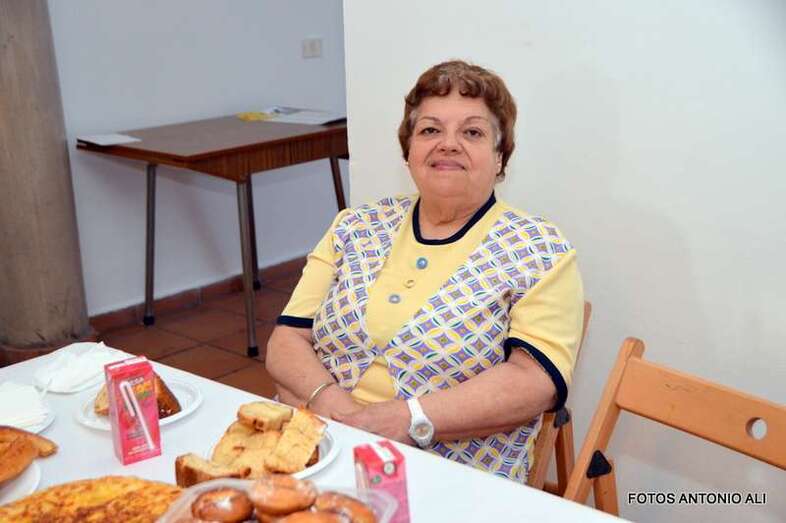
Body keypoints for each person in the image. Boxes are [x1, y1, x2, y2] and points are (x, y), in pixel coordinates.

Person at [266, 60, 584, 483]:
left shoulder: (540, 249)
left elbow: (534, 382)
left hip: (454, 471)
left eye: (472, 132)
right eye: (431, 130)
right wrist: (333, 406)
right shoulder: (354, 226)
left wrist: (408, 418)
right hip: (320, 444)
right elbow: (287, 339)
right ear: (409, 151)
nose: (448, 144)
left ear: (499, 156)